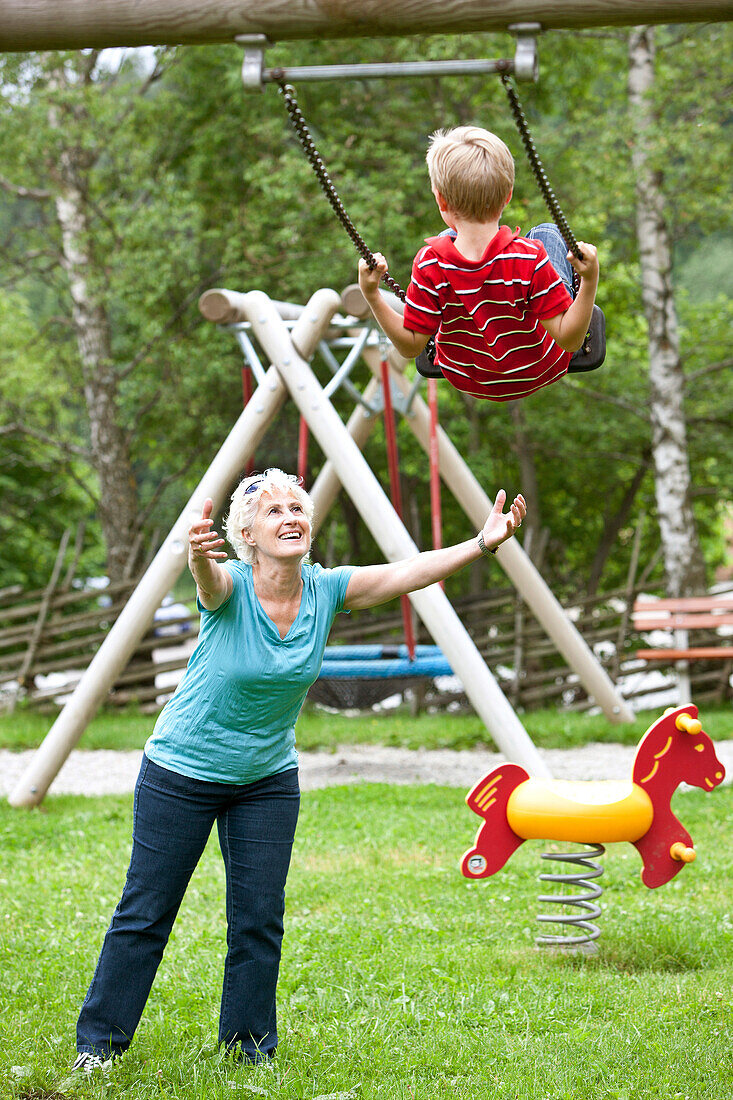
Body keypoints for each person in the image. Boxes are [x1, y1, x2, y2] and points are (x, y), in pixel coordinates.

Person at [73, 468, 526, 1073]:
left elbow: (406, 573)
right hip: (182, 770)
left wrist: (481, 543)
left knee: (258, 918)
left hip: (266, 779)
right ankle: (99, 1049)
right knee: (146, 913)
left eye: (299, 508)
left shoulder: (326, 588)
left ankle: (248, 1051)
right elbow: (207, 585)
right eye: (273, 510)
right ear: (247, 536)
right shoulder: (229, 583)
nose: (291, 516)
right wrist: (200, 557)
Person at [357, 125, 600, 402]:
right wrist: (589, 281)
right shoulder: (530, 256)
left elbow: (411, 346)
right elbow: (570, 341)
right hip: (540, 368)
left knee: (446, 238)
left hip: (467, 377)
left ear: (441, 200)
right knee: (547, 232)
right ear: (507, 195)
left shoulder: (429, 263)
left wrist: (372, 294)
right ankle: (558, 303)